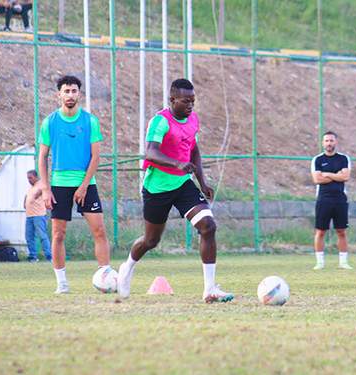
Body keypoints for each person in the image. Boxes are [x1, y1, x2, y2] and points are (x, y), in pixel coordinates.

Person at [117, 78, 233, 304]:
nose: (190, 106)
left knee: (208, 226)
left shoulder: (193, 120)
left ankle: (209, 289)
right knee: (151, 241)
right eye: (185, 101)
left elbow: (194, 149)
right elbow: (150, 152)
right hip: (157, 188)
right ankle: (127, 267)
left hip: (182, 185)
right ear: (172, 100)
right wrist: (177, 164)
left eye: (193, 101)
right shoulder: (160, 122)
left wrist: (202, 181)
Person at [38, 75, 112, 294]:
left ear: (79, 94)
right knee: (58, 234)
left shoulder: (90, 121)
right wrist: (45, 188)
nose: (70, 95)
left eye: (74, 91)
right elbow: (42, 157)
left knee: (99, 230)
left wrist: (83, 186)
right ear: (59, 94)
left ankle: (106, 276)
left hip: (86, 183)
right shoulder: (49, 122)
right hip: (59, 184)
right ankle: (62, 282)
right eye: (66, 91)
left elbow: (96, 157)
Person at [310, 131, 352, 270]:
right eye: (327, 141)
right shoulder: (317, 160)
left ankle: (343, 262)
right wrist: (336, 175)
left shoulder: (343, 159)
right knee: (321, 231)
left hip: (340, 199)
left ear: (336, 142)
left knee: (341, 231)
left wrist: (326, 174)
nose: (329, 143)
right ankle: (320, 262)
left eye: (331, 141)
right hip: (323, 199)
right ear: (323, 143)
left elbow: (345, 177)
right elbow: (317, 179)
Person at [24, 169, 52, 262]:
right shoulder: (30, 186)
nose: (29, 180)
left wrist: (32, 199)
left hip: (39, 215)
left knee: (42, 236)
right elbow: (28, 195)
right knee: (29, 236)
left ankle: (49, 256)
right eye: (28, 178)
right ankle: (32, 256)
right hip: (29, 215)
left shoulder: (41, 185)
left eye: (30, 178)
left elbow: (37, 194)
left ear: (36, 177)